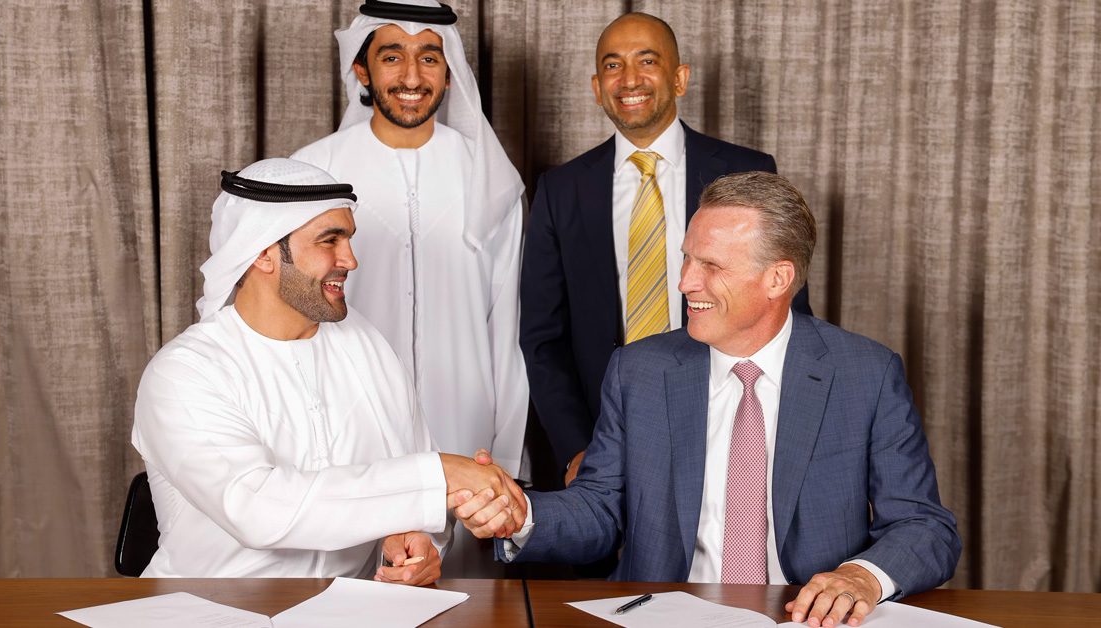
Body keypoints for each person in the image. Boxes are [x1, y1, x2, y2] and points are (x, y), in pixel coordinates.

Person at [454, 172, 960, 627]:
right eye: (687, 259)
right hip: (662, 617)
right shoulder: (640, 370)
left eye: (711, 266)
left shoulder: (865, 374)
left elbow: (924, 526)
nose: (685, 283)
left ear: (777, 279)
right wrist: (524, 516)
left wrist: (861, 578)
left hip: (804, 622)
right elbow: (601, 509)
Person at [132, 158, 525, 581]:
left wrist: (411, 542)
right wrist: (440, 474)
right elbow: (259, 509)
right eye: (329, 241)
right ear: (263, 252)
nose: (351, 260)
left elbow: (408, 492)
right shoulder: (185, 373)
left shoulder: (367, 344)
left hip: (353, 614)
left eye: (349, 240)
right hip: (208, 614)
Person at [520, 12, 812, 487]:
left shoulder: (746, 170)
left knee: (732, 554)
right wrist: (576, 448)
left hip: (733, 422)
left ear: (679, 78)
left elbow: (784, 311)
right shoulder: (560, 189)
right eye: (613, 66)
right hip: (604, 437)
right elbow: (542, 338)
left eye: (647, 61)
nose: (629, 79)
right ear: (597, 87)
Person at [290, 0, 528, 482]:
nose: (412, 77)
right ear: (362, 69)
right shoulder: (313, 173)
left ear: (448, 72)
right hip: (343, 421)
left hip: (466, 424)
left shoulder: (491, 178)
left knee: (460, 552)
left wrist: (506, 461)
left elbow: (506, 330)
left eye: (429, 57)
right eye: (392, 55)